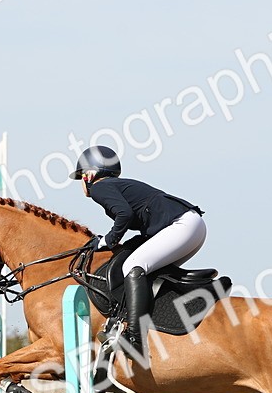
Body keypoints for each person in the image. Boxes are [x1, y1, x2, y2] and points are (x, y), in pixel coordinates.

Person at [70, 145, 205, 359]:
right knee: (141, 265)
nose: (81, 184)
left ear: (89, 175)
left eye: (80, 177)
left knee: (133, 266)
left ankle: (135, 339)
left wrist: (107, 240)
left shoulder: (99, 188)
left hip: (181, 225)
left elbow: (123, 214)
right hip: (189, 226)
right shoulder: (116, 185)